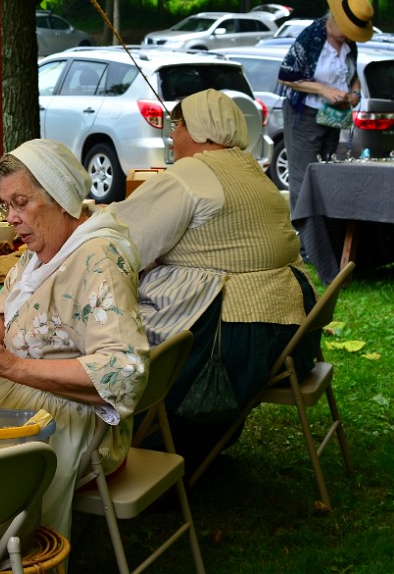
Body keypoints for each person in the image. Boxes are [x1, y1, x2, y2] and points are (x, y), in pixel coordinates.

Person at [0, 139, 149, 538]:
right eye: (7, 206)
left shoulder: (98, 259)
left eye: (21, 202)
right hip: (24, 384)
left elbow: (124, 373)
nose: (12, 218)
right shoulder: (43, 248)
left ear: (60, 196)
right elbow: (6, 301)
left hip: (70, 416)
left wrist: (12, 365)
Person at [108, 89, 318, 462]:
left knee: (109, 330)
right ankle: (195, 451)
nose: (173, 136)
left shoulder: (192, 175)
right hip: (290, 329)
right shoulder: (250, 167)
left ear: (200, 129)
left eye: (178, 125)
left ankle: (150, 455)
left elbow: (122, 239)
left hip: (233, 338)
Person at [278, 0, 374, 214]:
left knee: (327, 173)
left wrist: (355, 93)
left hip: (333, 116)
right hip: (305, 115)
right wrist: (323, 89)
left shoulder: (350, 44)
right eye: (349, 30)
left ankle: (325, 231)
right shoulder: (311, 37)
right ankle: (304, 241)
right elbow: (285, 76)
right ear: (336, 19)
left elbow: (352, 76)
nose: (351, 36)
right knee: (304, 177)